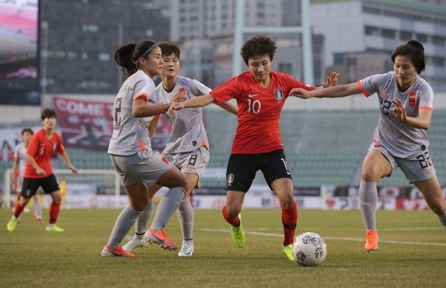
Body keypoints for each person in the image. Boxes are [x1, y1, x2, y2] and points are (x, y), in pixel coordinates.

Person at [171, 34, 338, 260]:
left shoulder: (283, 81)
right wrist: (183, 104)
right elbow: (210, 99)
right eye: (254, 64)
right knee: (231, 211)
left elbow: (309, 93)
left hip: (272, 150)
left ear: (271, 60)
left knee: (287, 197)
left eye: (264, 62)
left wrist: (323, 88)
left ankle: (289, 245)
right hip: (243, 152)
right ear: (248, 64)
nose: (260, 68)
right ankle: (236, 224)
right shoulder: (240, 82)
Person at [290, 39, 446, 252]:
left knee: (438, 205)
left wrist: (406, 118)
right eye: (397, 65)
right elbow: (346, 89)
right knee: (368, 172)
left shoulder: (424, 89)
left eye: (406, 67)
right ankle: (371, 233)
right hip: (385, 146)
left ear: (417, 67)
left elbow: (425, 122)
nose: (400, 71)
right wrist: (313, 93)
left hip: (415, 151)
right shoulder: (383, 81)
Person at [123, 42, 238, 257]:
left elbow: (218, 98)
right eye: (165, 59)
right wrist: (145, 147)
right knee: (145, 194)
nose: (170, 63)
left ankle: (182, 240)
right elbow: (153, 123)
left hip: (196, 148)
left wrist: (243, 115)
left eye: (175, 60)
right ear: (158, 62)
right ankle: (139, 237)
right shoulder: (155, 92)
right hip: (172, 150)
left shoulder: (191, 85)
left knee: (182, 189)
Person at [102, 40, 189, 258]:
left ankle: (112, 247)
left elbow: (139, 115)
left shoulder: (130, 81)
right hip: (133, 152)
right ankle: (156, 230)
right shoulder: (145, 80)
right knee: (181, 182)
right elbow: (138, 110)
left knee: (139, 203)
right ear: (143, 61)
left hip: (118, 152)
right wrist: (168, 105)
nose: (161, 62)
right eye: (158, 57)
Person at [7, 109, 78, 232]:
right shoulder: (37, 136)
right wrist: (37, 168)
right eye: (47, 118)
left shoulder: (57, 137)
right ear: (43, 121)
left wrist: (69, 165)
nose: (50, 120)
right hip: (31, 174)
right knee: (23, 201)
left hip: (47, 173)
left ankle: (51, 225)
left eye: (52, 118)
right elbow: (29, 155)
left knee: (57, 196)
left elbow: (61, 151)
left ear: (55, 120)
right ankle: (14, 218)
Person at [12, 128, 43, 223]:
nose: (27, 137)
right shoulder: (19, 148)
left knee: (36, 196)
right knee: (19, 198)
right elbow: (15, 162)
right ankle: (18, 217)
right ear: (22, 136)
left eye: (29, 135)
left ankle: (39, 217)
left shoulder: (36, 147)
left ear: (32, 136)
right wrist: (14, 175)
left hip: (33, 176)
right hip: (21, 177)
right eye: (25, 135)